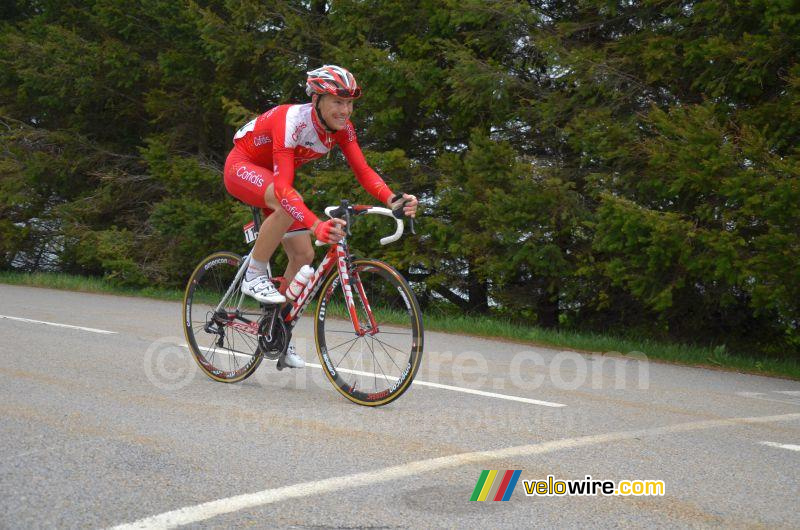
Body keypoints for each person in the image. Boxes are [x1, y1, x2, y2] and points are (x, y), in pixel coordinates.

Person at [223, 64, 418, 369]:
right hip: (241, 168)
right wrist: (316, 224)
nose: (346, 110)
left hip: (273, 185)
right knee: (290, 202)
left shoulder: (342, 129)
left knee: (303, 255)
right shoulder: (292, 122)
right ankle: (254, 272)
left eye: (350, 103)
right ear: (316, 99)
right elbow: (286, 189)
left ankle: (276, 332)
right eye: (338, 102)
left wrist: (393, 199)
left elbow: (364, 172)